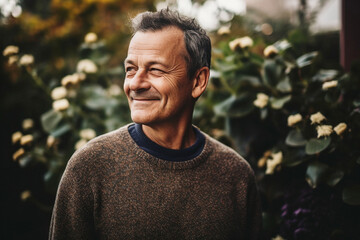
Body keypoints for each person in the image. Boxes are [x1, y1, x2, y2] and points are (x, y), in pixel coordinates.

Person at [49, 8, 261, 240]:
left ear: (198, 81)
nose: (135, 84)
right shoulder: (90, 166)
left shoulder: (236, 176)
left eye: (156, 70)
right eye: (131, 69)